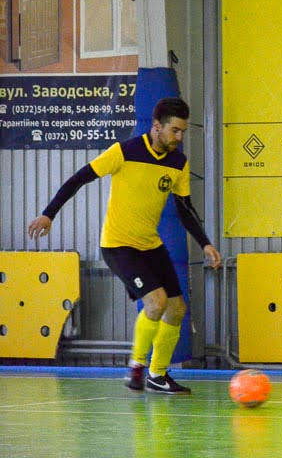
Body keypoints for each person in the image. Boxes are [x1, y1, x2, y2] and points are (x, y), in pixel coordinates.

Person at [28, 97, 222, 395]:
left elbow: (184, 208)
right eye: (175, 130)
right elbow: (78, 179)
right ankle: (136, 367)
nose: (179, 137)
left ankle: (158, 375)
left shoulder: (177, 163)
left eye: (183, 131)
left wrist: (205, 243)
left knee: (177, 309)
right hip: (118, 246)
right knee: (156, 302)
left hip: (150, 246)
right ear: (156, 126)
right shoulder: (124, 152)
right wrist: (48, 213)